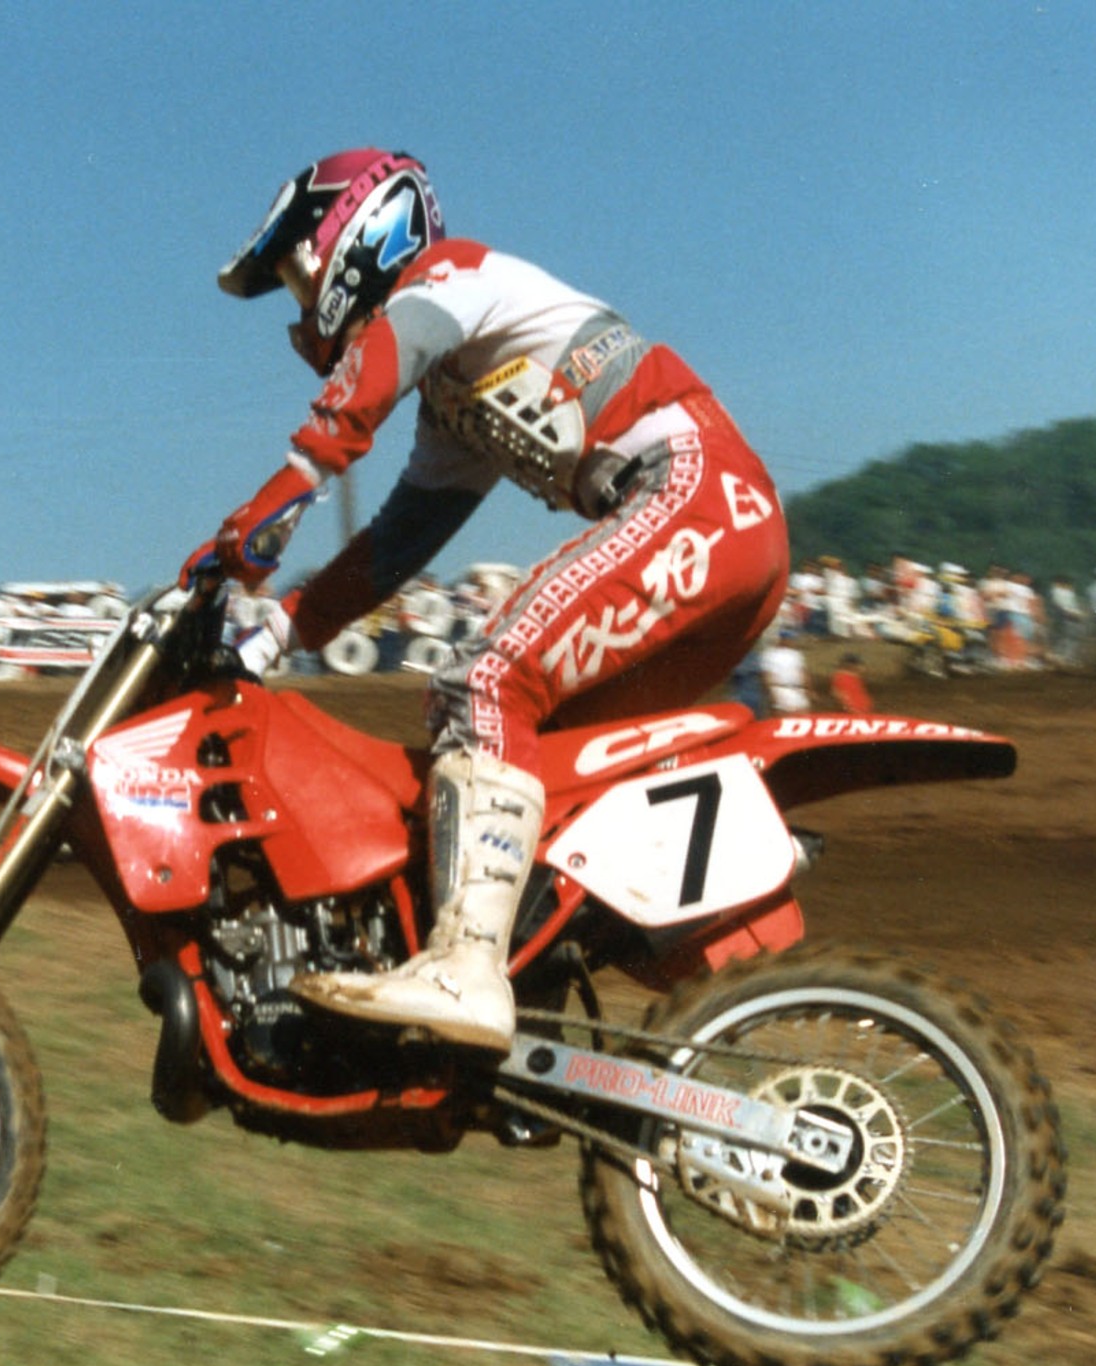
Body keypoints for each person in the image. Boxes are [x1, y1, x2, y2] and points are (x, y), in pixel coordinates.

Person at [193, 149, 788, 1050]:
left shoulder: (449, 277)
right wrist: (278, 629)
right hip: (723, 530)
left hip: (694, 490)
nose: (297, 304)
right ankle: (627, 984)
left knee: (480, 687)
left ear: (353, 234)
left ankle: (468, 966)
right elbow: (399, 541)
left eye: (293, 274)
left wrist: (278, 500)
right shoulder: (456, 392)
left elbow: (359, 401)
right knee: (534, 760)